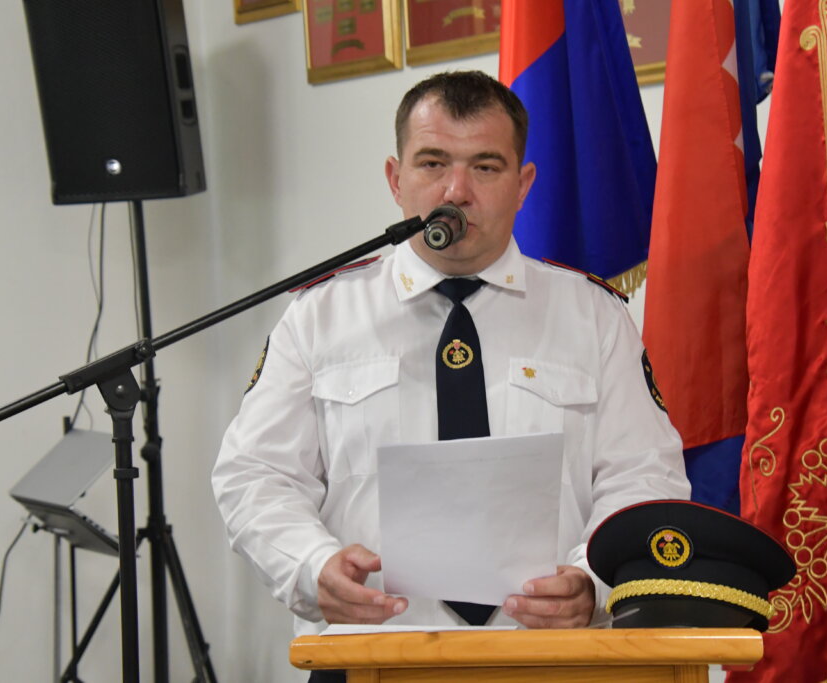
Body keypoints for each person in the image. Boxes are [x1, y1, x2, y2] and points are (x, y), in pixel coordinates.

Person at [212, 70, 690, 657]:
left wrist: (594, 582)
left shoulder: (593, 315)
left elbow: (646, 476)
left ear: (523, 185)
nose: (456, 191)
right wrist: (312, 568)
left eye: (485, 167)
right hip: (369, 656)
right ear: (396, 180)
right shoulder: (321, 315)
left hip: (550, 657)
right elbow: (254, 475)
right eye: (433, 163)